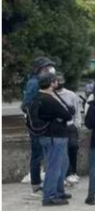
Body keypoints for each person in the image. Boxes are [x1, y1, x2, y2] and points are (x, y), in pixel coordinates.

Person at [31, 73, 74, 206]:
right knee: (54, 167)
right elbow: (67, 115)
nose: (57, 83)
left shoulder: (36, 97)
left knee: (59, 165)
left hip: (44, 135)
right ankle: (49, 196)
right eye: (55, 81)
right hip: (55, 136)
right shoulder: (50, 100)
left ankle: (58, 191)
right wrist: (59, 117)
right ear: (51, 83)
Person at [22, 57, 56, 194]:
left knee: (42, 153)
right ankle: (36, 185)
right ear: (40, 69)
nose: (50, 70)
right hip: (37, 125)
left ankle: (43, 183)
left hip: (41, 123)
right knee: (37, 154)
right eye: (47, 67)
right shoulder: (34, 83)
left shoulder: (39, 81)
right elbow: (26, 104)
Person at [54, 75, 82, 186]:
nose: (59, 83)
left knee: (73, 147)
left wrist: (77, 124)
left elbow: (77, 110)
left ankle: (73, 172)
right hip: (57, 127)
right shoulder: (51, 95)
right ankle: (65, 173)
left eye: (61, 81)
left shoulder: (71, 95)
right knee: (61, 150)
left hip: (70, 126)